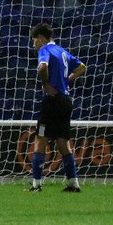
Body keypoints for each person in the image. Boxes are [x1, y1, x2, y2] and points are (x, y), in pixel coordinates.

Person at [27, 23, 86, 192]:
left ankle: (36, 185)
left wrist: (45, 83)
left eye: (34, 42)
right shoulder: (62, 51)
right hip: (65, 101)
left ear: (41, 39)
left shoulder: (45, 50)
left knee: (40, 140)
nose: (34, 46)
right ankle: (73, 184)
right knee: (63, 143)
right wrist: (68, 79)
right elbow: (82, 67)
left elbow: (43, 66)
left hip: (51, 102)